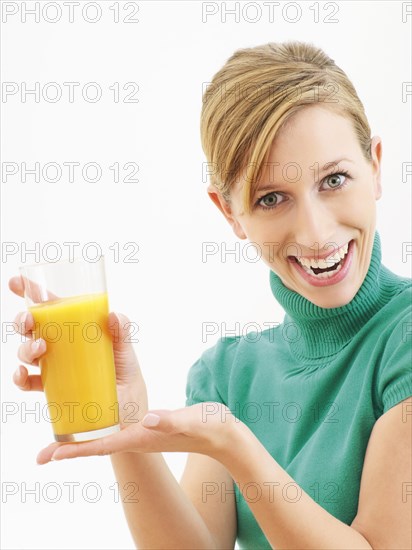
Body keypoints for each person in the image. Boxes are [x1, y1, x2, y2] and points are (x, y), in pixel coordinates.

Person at [9, 41, 412, 549]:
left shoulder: (404, 337)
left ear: (374, 167)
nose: (315, 232)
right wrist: (125, 423)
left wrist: (237, 448)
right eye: (271, 198)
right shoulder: (226, 375)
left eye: (334, 179)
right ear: (229, 214)